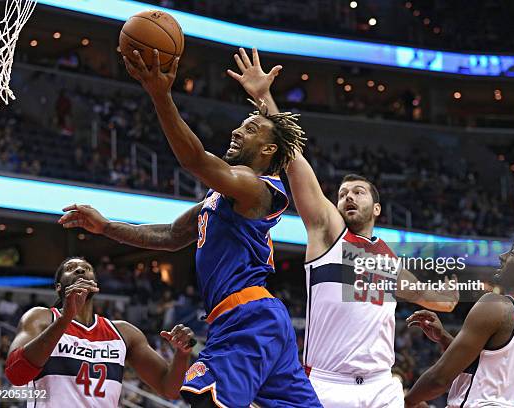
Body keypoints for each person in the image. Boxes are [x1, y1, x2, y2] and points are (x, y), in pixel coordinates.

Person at [58, 47, 321, 407]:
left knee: (202, 401)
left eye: (251, 128)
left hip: (248, 319)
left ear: (268, 149)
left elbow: (194, 160)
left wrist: (160, 95)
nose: (237, 130)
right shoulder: (223, 196)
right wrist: (106, 227)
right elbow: (169, 235)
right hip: (251, 321)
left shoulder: (256, 186)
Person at [228, 48, 459, 408]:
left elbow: (438, 301)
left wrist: (452, 290)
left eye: (358, 192)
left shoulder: (386, 260)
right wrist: (264, 97)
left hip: (382, 386)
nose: (348, 197)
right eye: (342, 193)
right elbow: (293, 160)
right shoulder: (329, 232)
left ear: (377, 208)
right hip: (328, 384)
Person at [5, 257, 195, 407]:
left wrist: (182, 354)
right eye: (71, 268)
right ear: (58, 288)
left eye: (86, 268)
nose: (80, 270)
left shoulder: (124, 332)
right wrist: (66, 319)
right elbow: (16, 374)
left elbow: (169, 389)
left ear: (96, 283)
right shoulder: (41, 318)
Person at [404, 233, 514, 407]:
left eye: (513, 252)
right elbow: (490, 370)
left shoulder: (495, 305)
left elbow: (440, 379)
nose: (502, 257)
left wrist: (407, 401)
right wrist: (444, 338)